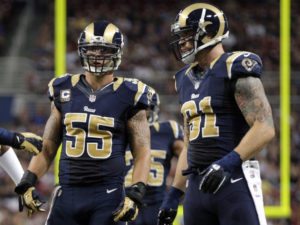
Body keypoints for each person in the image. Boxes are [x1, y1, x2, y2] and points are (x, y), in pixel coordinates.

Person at [14, 20, 152, 224]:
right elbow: (48, 146)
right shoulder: (63, 88)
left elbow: (142, 151)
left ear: (117, 52)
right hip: (67, 192)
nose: (97, 55)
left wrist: (136, 191)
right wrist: (28, 180)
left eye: (104, 50)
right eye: (92, 49)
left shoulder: (130, 94)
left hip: (108, 195)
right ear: (81, 51)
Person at [157, 3, 275, 225]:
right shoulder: (183, 78)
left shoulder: (234, 67)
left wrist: (228, 163)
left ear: (209, 32)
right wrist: (174, 193)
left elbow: (265, 128)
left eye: (187, 34)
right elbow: (188, 144)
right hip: (196, 186)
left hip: (234, 180)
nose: (182, 41)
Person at [123, 91, 184, 225]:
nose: (143, 112)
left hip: (158, 201)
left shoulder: (168, 129)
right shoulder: (121, 131)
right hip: (127, 201)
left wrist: (179, 186)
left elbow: (188, 156)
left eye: (146, 108)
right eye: (138, 108)